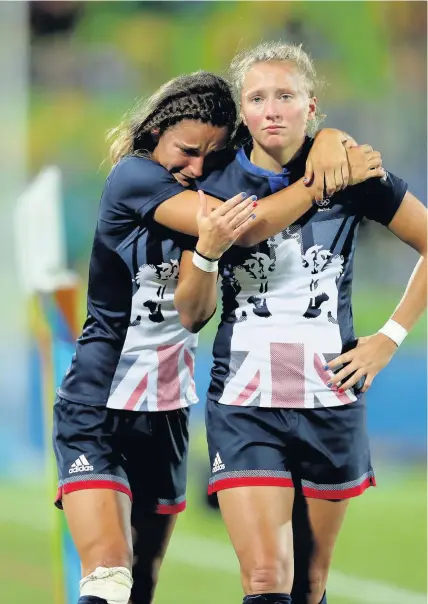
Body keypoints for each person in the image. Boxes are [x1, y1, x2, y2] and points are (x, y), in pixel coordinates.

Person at [52, 69, 371, 604]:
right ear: (156, 131)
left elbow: (283, 148)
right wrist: (323, 182)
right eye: (186, 150)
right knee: (109, 577)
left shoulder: (216, 180)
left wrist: (332, 142)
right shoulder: (133, 177)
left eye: (212, 155)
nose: (195, 167)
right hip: (98, 404)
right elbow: (239, 227)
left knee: (141, 584)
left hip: (170, 410)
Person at [174, 42, 427, 604]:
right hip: (245, 402)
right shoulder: (213, 184)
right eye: (258, 97)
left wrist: (389, 338)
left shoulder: (353, 170)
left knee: (310, 584)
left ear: (311, 106)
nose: (272, 109)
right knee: (266, 580)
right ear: (241, 111)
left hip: (329, 396)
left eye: (285, 95)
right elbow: (201, 300)